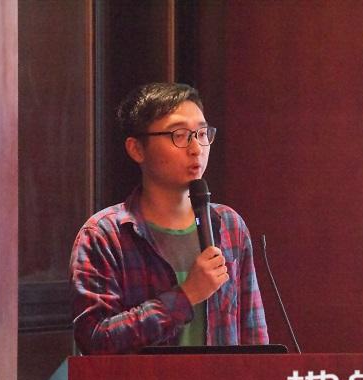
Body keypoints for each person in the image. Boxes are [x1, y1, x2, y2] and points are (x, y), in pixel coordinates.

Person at [70, 82, 268, 354]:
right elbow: (95, 339)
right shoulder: (104, 235)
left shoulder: (228, 224)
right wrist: (185, 296)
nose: (196, 148)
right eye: (180, 135)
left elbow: (253, 334)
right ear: (136, 149)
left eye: (202, 133)